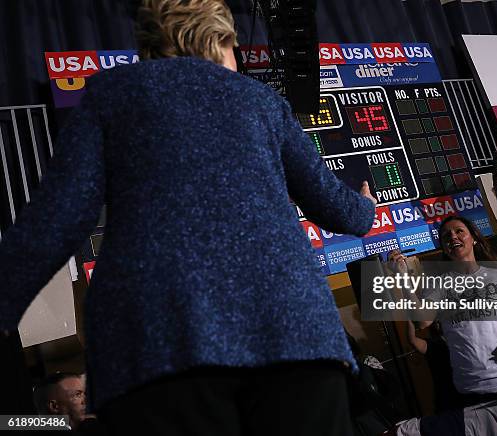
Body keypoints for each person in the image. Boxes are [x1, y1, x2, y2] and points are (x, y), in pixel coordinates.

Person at [0, 1, 376, 435]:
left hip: (157, 345)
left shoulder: (111, 94)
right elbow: (334, 207)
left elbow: (59, 219)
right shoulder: (261, 101)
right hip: (291, 336)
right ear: (220, 42)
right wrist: (363, 207)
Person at [387, 216, 497, 433]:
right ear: (443, 247)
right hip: (475, 392)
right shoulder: (438, 285)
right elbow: (422, 320)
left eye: (459, 231)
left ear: (474, 239)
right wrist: (402, 278)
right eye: (446, 236)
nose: (453, 236)